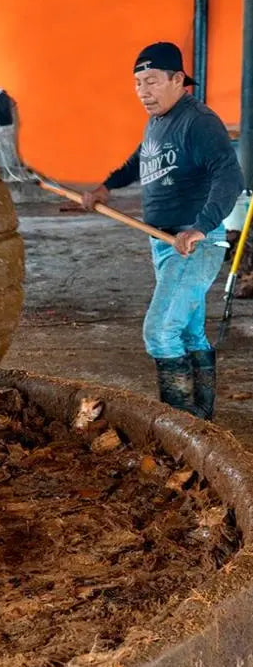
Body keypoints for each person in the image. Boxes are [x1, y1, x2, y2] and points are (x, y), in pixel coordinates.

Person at [82, 41, 244, 420]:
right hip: (164, 242)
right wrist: (106, 187)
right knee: (188, 332)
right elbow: (142, 158)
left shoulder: (198, 122)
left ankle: (180, 428)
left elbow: (230, 176)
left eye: (152, 81)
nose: (143, 91)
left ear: (177, 79)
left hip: (191, 244)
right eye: (138, 83)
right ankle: (200, 422)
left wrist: (201, 227)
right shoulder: (158, 120)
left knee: (159, 332)